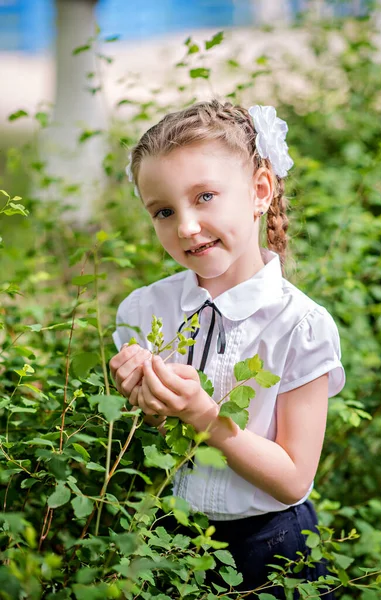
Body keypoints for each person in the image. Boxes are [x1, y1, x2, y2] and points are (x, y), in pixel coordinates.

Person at [109, 99, 345, 599]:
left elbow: (293, 479)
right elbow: (149, 438)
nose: (186, 226)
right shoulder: (145, 309)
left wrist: (204, 416)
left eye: (206, 196)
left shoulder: (299, 325)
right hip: (172, 536)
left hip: (273, 544)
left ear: (260, 190)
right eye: (164, 211)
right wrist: (139, 396)